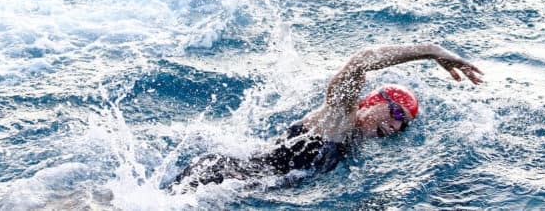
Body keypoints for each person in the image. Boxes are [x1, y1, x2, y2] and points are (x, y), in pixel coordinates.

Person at [171, 43, 483, 189]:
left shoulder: (354, 142)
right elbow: (360, 63)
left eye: (404, 124)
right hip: (216, 177)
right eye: (397, 112)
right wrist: (430, 50)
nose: (396, 125)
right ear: (375, 100)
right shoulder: (339, 117)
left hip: (237, 190)